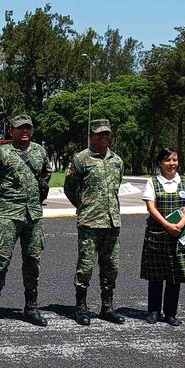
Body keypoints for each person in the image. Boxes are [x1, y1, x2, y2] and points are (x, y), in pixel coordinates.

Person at [0, 114, 52, 328]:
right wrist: (1, 195)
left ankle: (31, 307)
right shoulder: (1, 152)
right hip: (8, 214)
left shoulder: (40, 151)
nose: (24, 132)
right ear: (11, 131)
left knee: (32, 261)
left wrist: (41, 193)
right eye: (20, 128)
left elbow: (46, 174)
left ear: (32, 130)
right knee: (1, 260)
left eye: (28, 128)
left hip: (33, 214)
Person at [63, 118, 126, 326]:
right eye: (100, 134)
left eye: (107, 133)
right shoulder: (81, 159)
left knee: (111, 268)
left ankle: (107, 307)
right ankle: (81, 307)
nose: (104, 137)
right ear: (91, 135)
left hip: (112, 222)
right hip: (90, 222)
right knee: (85, 267)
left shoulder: (117, 160)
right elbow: (70, 188)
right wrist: (83, 207)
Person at [140, 148, 185, 326]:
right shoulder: (153, 182)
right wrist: (166, 224)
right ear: (160, 163)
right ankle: (153, 311)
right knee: (155, 275)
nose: (172, 164)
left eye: (174, 160)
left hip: (179, 233)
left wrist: (180, 224)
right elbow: (151, 207)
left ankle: (170, 313)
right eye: (167, 160)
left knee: (175, 275)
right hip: (158, 233)